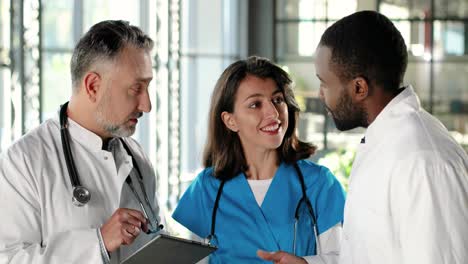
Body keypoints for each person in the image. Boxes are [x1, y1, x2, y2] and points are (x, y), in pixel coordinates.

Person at [0, 20, 164, 264]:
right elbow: (9, 258)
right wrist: (97, 243)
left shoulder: (137, 160)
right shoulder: (23, 163)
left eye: (148, 87)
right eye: (135, 89)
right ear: (93, 86)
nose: (147, 105)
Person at [313, 11, 468, 264]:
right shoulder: (384, 140)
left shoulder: (424, 161)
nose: (321, 94)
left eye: (324, 83)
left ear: (359, 88)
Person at [172, 56, 346, 263]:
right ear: (230, 120)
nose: (273, 113)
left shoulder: (318, 183)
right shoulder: (207, 188)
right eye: (255, 104)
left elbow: (343, 258)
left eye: (278, 100)